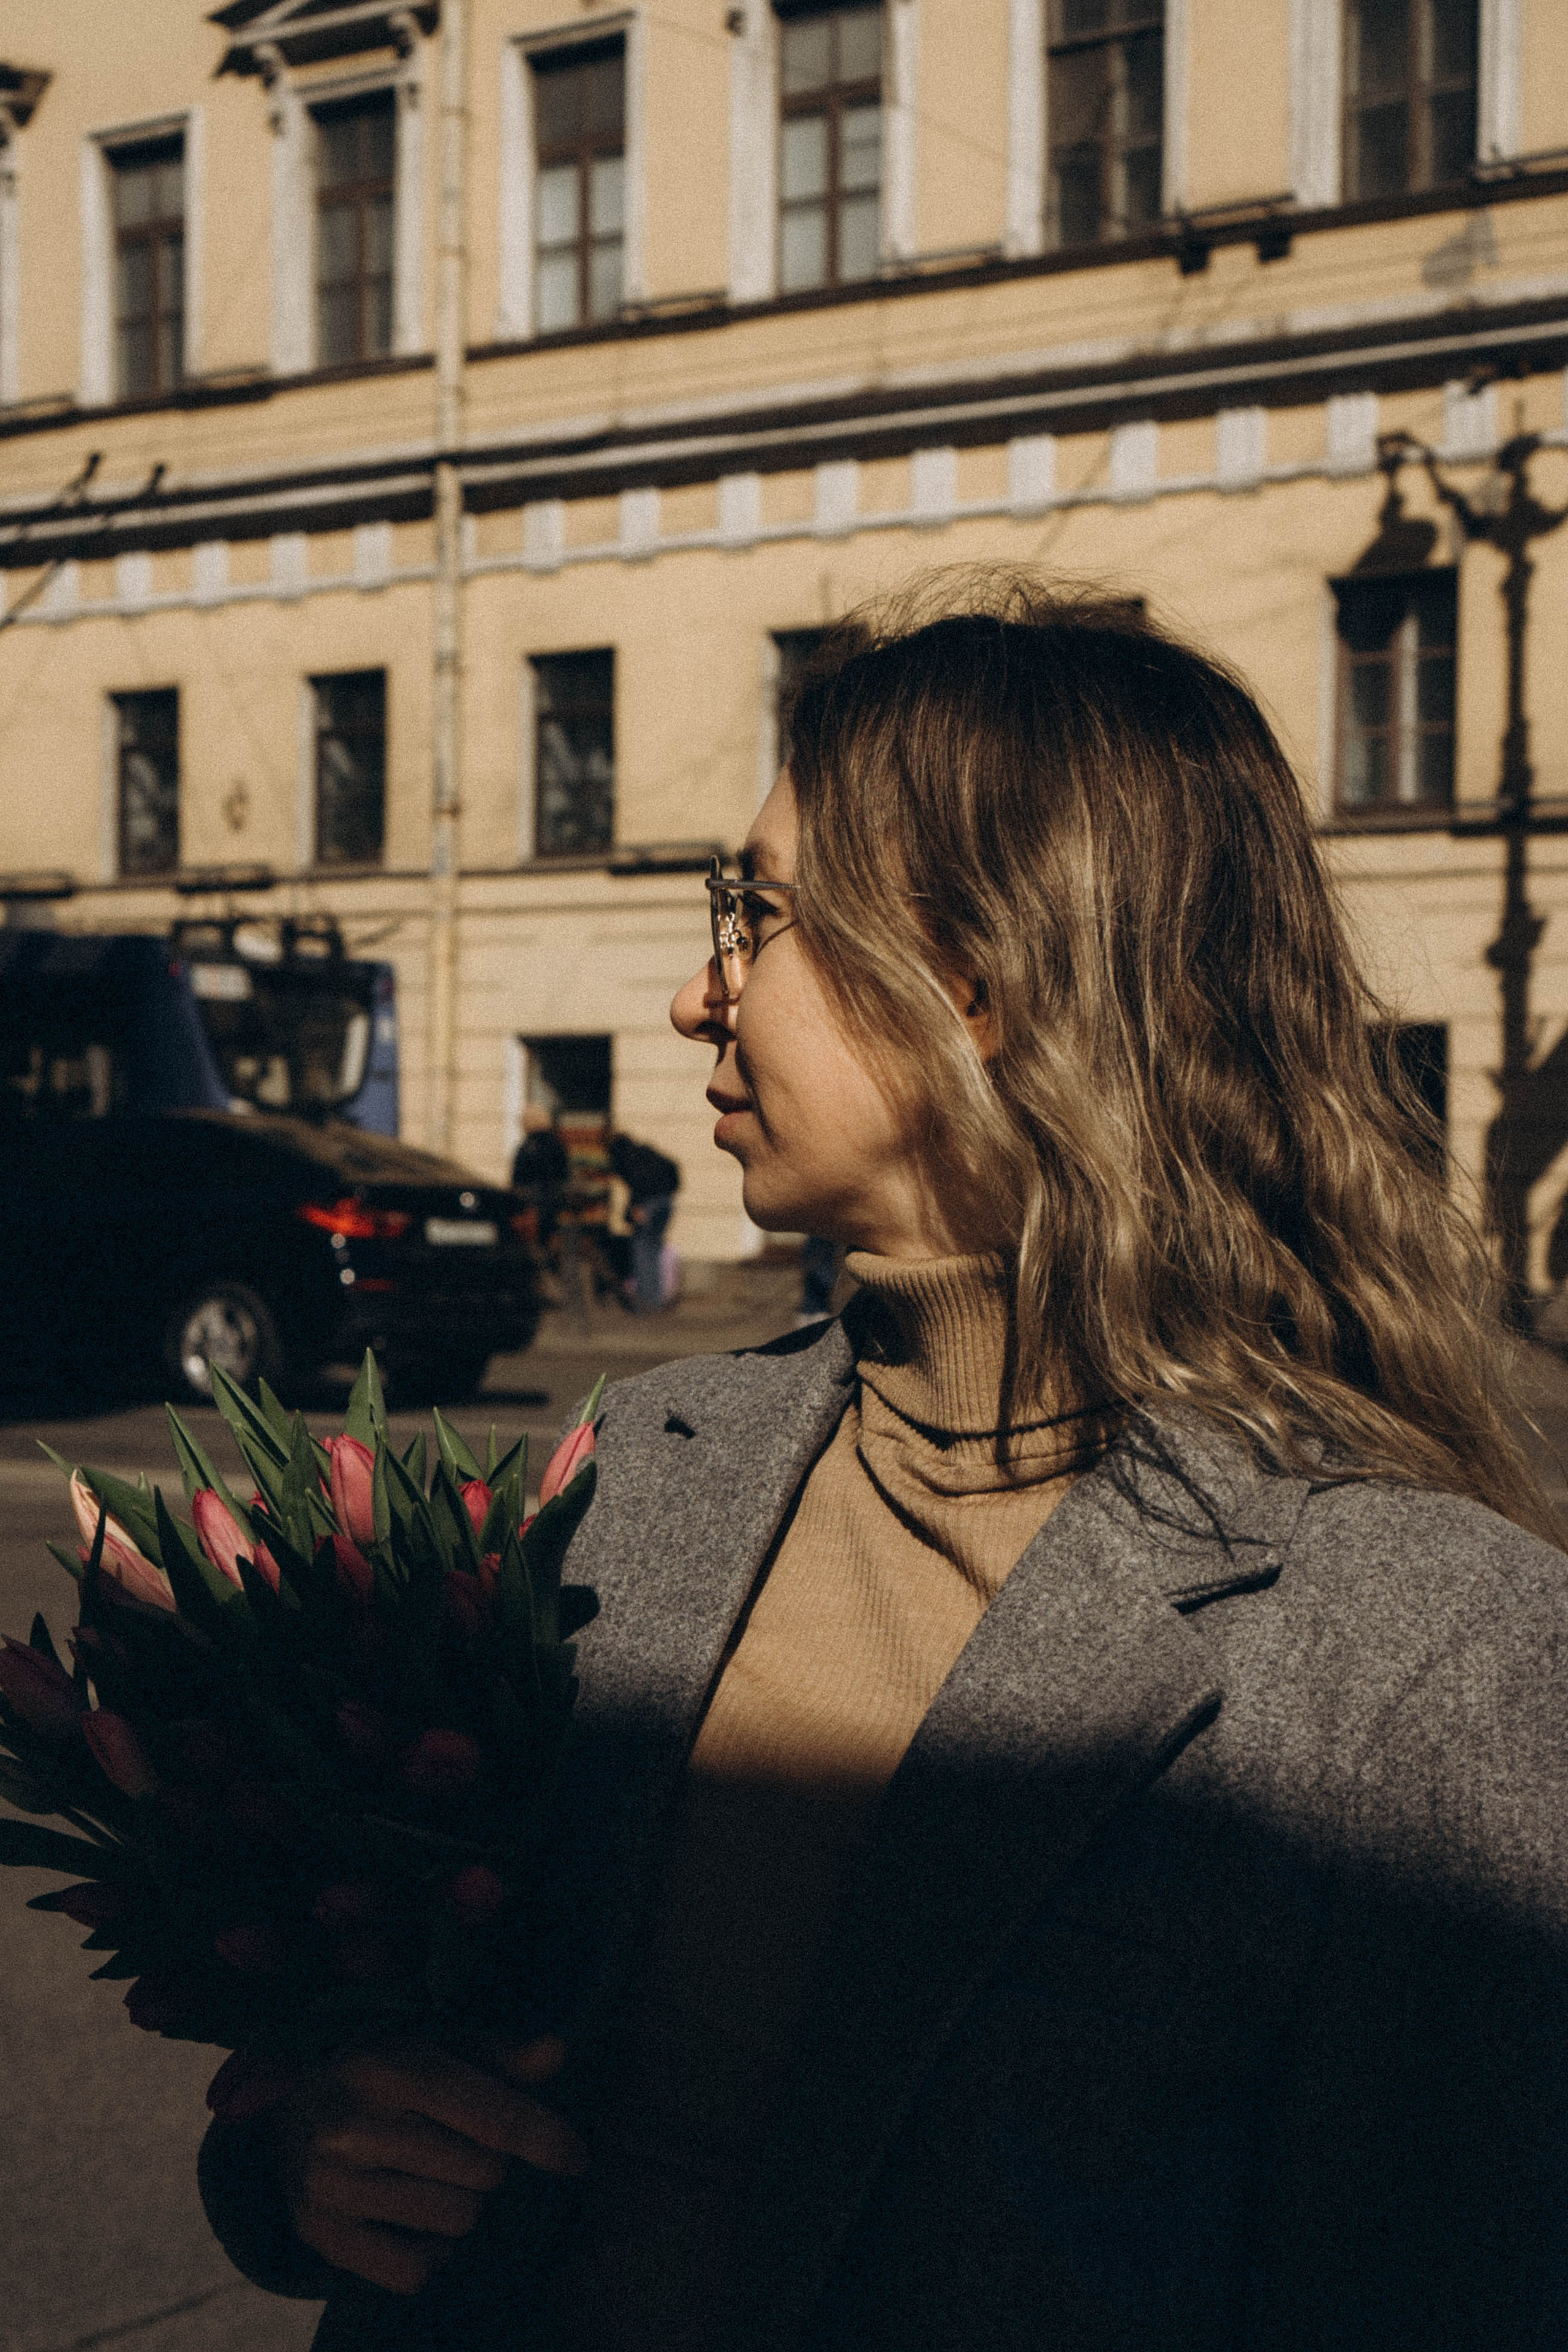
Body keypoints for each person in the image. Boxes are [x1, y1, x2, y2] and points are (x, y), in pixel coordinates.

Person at [200, 578, 1568, 2351]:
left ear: (982, 979)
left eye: (759, 917)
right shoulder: (650, 1457)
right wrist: (312, 2151)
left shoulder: (1437, 1657)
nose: (703, 995)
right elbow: (392, 2052)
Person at [604, 1131, 680, 1314]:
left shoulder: (628, 1159)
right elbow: (673, 1170)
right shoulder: (648, 1153)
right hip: (666, 1202)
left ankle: (647, 1301)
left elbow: (637, 1183)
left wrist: (637, 1208)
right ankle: (657, 1300)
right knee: (653, 1250)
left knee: (642, 1251)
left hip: (648, 1204)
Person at [509, 1106, 570, 1251]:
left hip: (532, 1201)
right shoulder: (558, 1145)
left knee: (532, 1241)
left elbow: (519, 1177)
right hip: (555, 1200)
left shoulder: (528, 1146)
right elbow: (564, 1173)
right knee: (550, 1237)